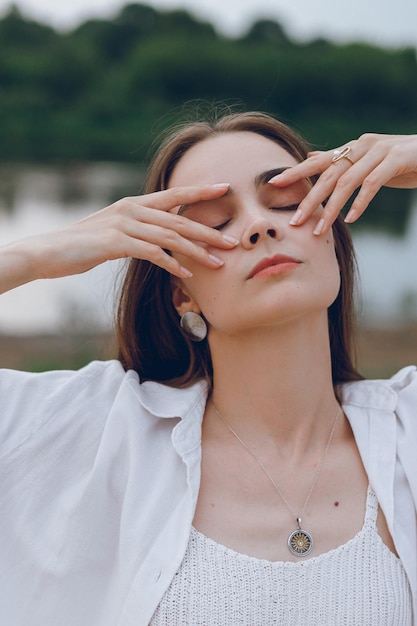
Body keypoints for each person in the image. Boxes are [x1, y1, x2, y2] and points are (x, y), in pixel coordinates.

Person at [0, 111, 416, 626]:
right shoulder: (89, 431)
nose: (260, 226)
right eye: (215, 222)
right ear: (181, 292)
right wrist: (36, 257)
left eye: (286, 202)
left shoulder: (408, 429)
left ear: (330, 238)